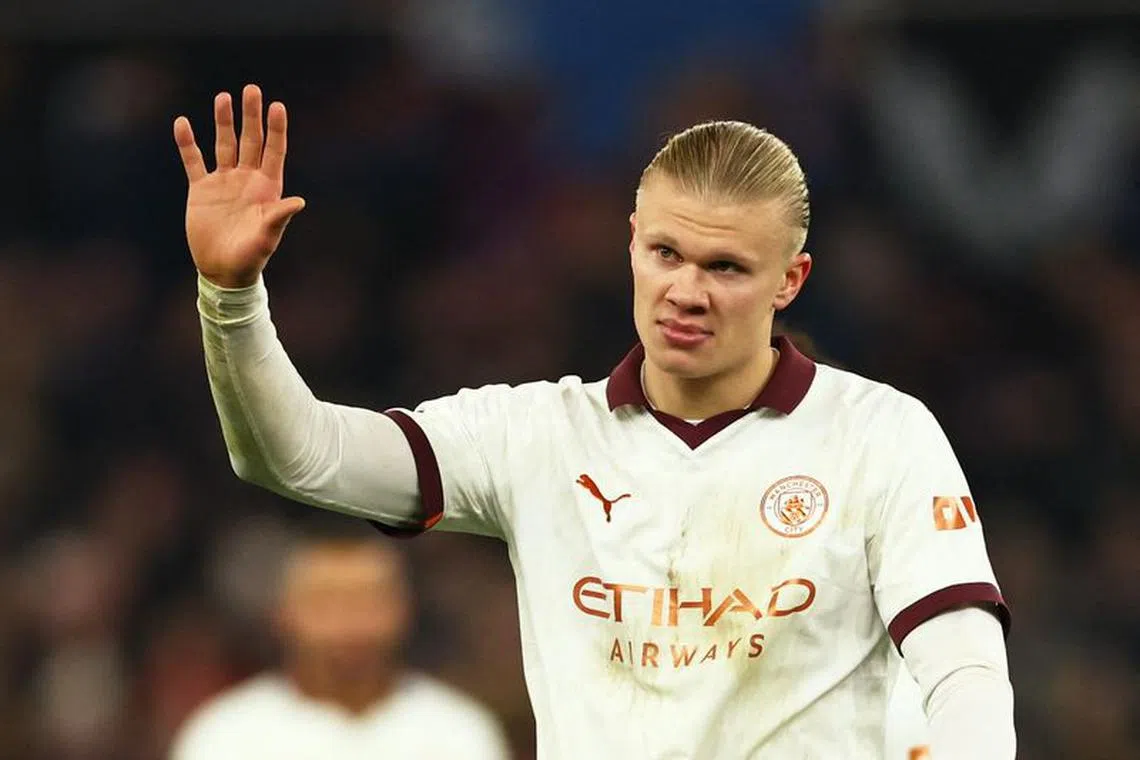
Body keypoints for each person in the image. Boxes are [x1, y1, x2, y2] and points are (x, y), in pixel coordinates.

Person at [174, 84, 1016, 758]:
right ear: (631, 244)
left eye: (726, 266)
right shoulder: (536, 435)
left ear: (790, 281)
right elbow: (299, 456)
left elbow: (966, 673)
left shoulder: (881, 434)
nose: (687, 291)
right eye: (667, 254)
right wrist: (232, 300)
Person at [169, 522, 510, 760]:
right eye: (326, 603)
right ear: (283, 614)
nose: (349, 624)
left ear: (404, 609)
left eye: (367, 601)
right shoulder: (226, 737)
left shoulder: (459, 733)